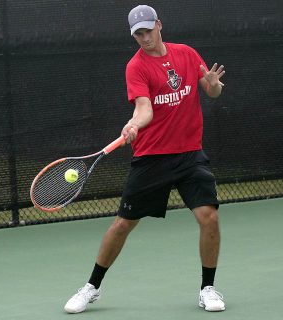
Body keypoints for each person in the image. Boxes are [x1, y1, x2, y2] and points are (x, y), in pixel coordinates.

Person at [64, 4, 226, 313]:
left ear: (159, 26)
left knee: (210, 217)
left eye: (148, 31)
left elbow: (211, 90)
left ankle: (208, 288)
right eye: (137, 34)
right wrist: (134, 124)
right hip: (152, 158)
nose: (144, 38)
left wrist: (215, 86)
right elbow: (144, 107)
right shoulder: (135, 66)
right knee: (123, 224)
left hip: (190, 155)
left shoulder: (188, 55)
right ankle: (92, 287)